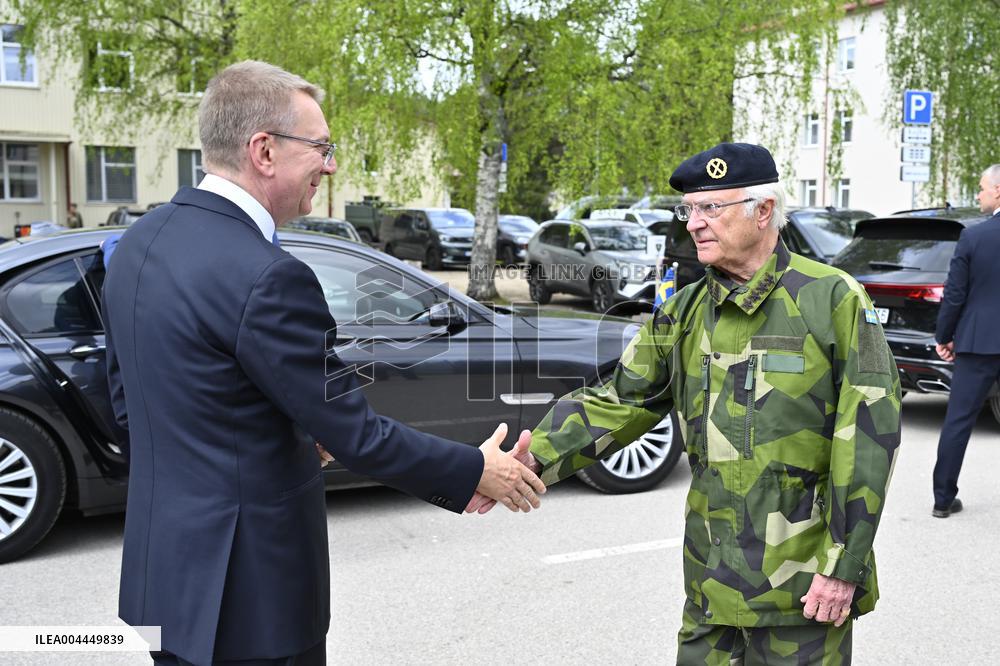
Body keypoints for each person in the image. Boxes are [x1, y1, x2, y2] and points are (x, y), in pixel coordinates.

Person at [102, 60, 545, 666]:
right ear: (264, 150)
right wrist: (476, 470)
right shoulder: (268, 275)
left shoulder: (138, 242)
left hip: (164, 584)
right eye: (321, 147)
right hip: (252, 603)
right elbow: (357, 435)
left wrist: (276, 439)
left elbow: (137, 407)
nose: (331, 165)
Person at [478, 143, 901, 663]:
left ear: (763, 210)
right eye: (690, 210)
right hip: (710, 582)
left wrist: (842, 566)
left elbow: (867, 441)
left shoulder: (833, 300)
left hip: (803, 589)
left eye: (711, 208)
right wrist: (530, 459)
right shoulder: (682, 312)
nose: (695, 223)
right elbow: (620, 400)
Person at [932, 164, 1000, 518]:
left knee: (958, 420)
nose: (978, 195)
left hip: (979, 342)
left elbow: (954, 295)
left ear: (998, 192)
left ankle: (943, 500)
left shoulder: (974, 237)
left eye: (981, 188)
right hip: (979, 341)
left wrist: (945, 336)